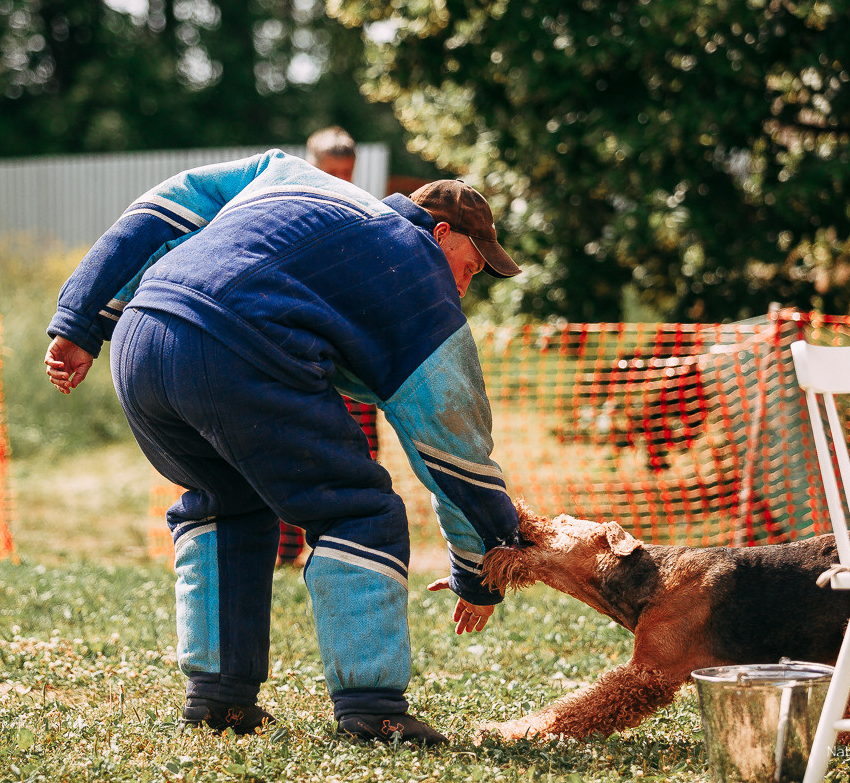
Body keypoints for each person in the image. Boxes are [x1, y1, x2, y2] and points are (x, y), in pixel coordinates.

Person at [44, 149, 523, 745]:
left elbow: (161, 208)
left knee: (226, 501)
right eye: (472, 268)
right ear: (441, 232)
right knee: (358, 510)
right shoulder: (415, 265)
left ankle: (219, 698)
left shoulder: (285, 172)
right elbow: (456, 447)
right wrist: (483, 566)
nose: (465, 284)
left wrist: (81, 320)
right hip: (241, 348)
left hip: (144, 335)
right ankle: (371, 708)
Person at [273, 126, 375, 568]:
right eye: (331, 172)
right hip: (297, 352)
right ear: (310, 167)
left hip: (351, 360)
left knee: (356, 451)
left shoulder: (363, 218)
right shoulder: (285, 216)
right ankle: (283, 551)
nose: (340, 180)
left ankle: (342, 548)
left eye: (346, 173)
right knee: (288, 450)